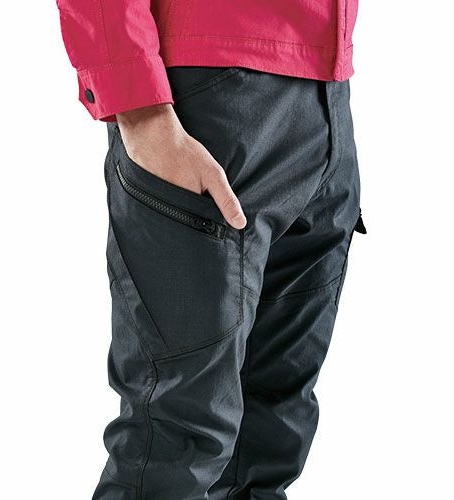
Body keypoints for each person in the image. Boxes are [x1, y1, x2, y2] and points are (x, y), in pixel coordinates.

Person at [56, 1, 366, 498]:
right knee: (176, 442)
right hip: (206, 97)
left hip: (326, 95)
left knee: (271, 430)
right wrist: (139, 107)